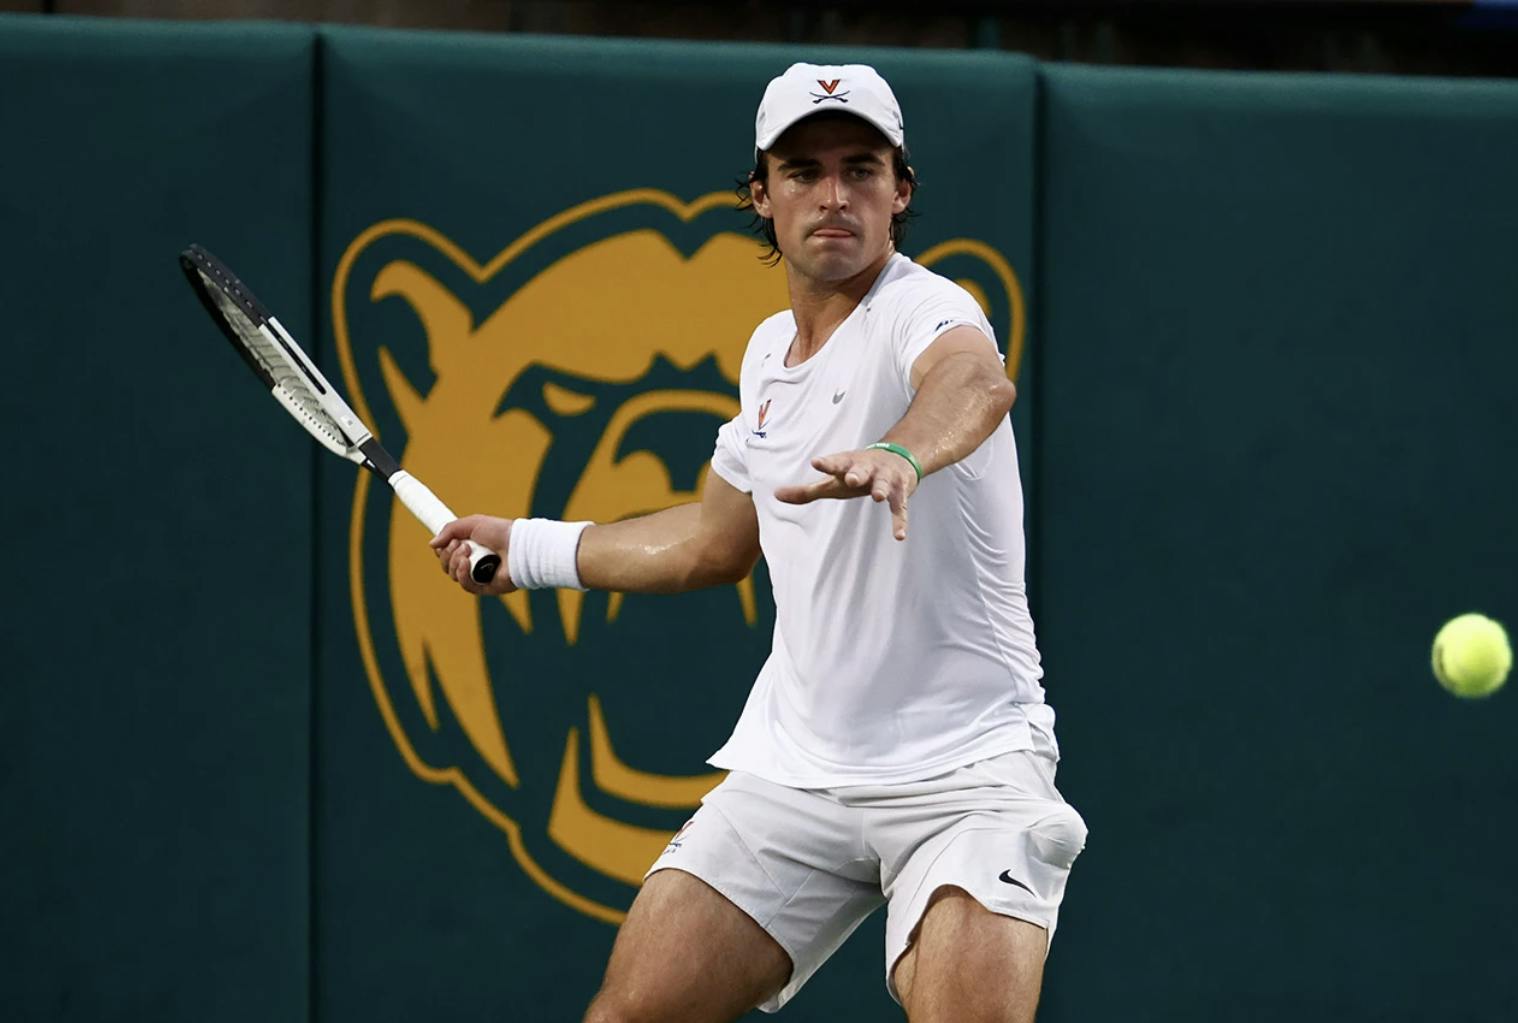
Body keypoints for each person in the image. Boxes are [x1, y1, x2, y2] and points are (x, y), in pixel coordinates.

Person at [433, 62, 1086, 1023]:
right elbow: (711, 540)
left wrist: (902, 449)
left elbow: (975, 383)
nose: (834, 195)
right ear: (761, 194)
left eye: (861, 169)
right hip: (797, 773)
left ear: (899, 191)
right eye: (804, 170)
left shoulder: (925, 308)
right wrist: (525, 547)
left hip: (967, 772)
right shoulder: (765, 359)